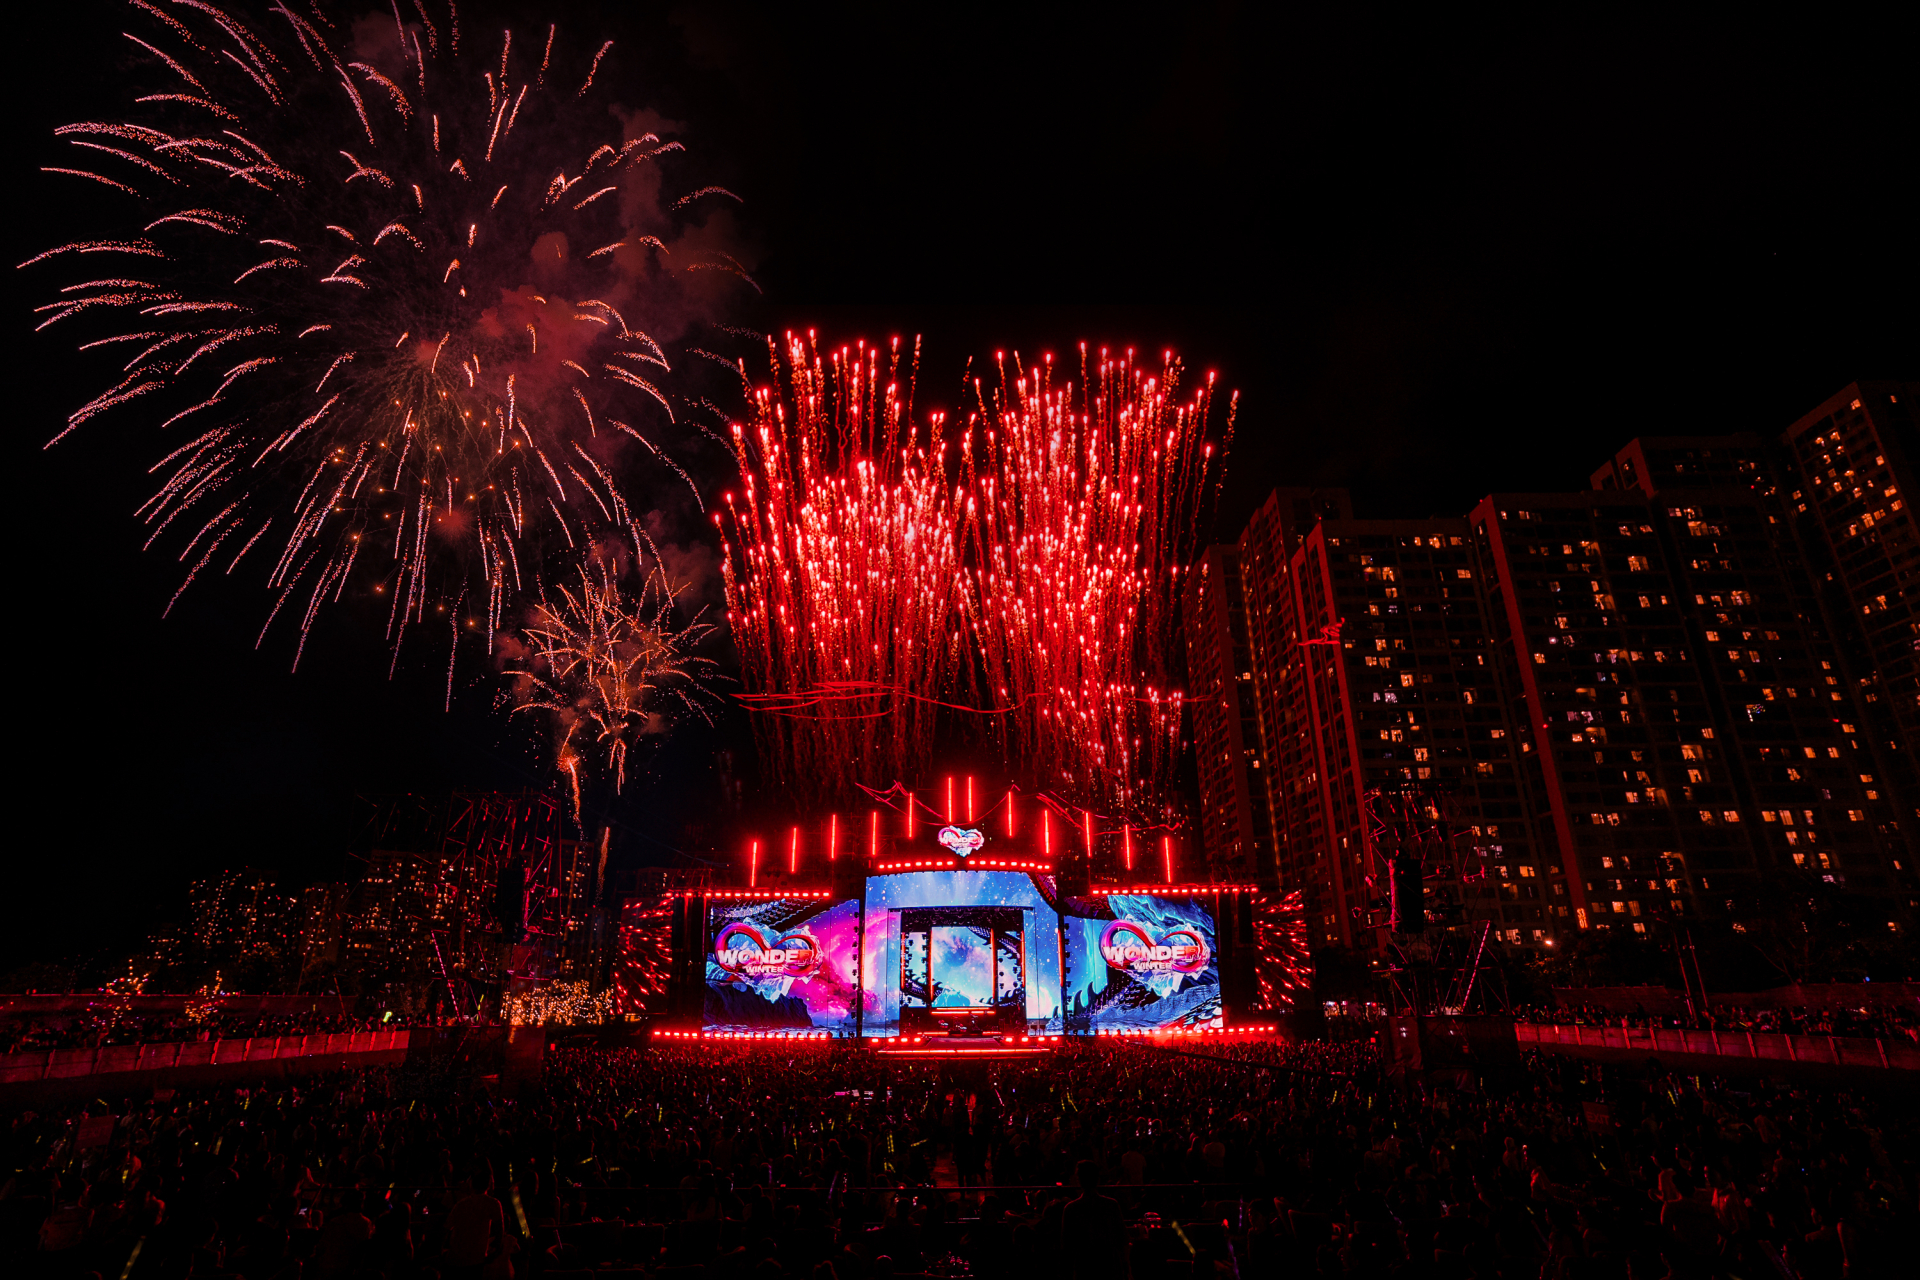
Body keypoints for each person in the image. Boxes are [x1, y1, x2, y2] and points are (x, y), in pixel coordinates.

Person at [1059, 1159, 1127, 1280]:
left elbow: (1066, 1245)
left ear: (1079, 1180)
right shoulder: (1111, 1205)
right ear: (1097, 1179)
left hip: (1084, 1267)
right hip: (1109, 1265)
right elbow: (1122, 1238)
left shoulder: (1071, 1208)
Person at [443, 1161, 508, 1280]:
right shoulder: (493, 1204)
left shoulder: (461, 1204)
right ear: (488, 1185)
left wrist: (441, 1251)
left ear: (471, 1184)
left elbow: (446, 1229)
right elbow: (500, 1230)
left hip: (455, 1257)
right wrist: (496, 1251)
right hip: (476, 1258)